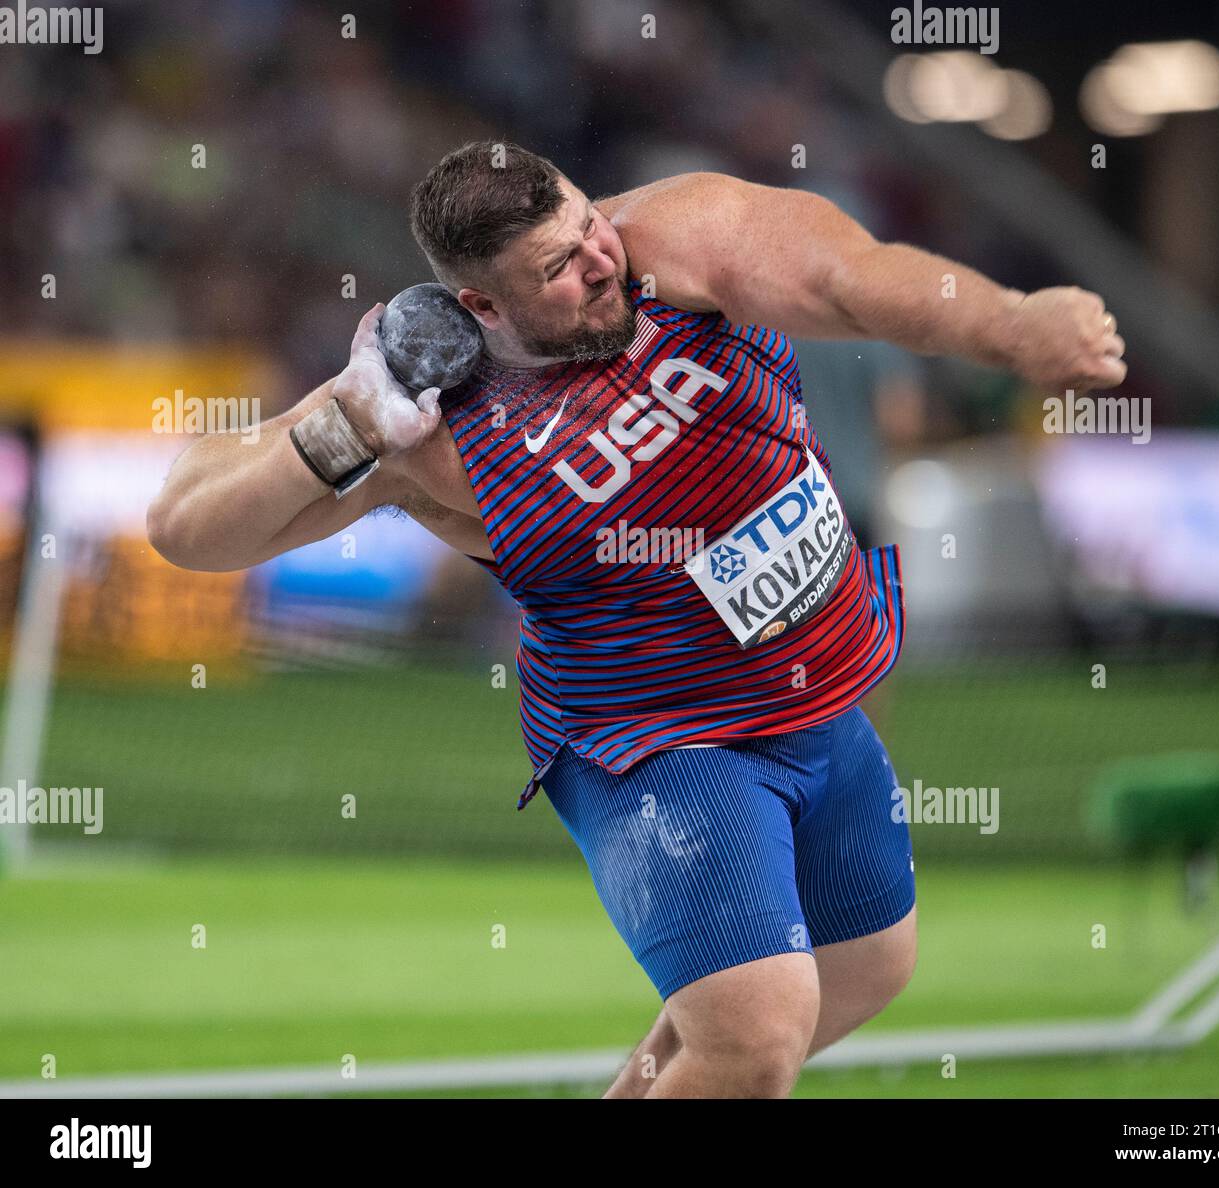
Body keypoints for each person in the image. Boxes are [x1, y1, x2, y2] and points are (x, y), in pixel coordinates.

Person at [148, 140, 1125, 1098]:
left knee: (866, 965)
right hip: (653, 738)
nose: (597, 258)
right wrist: (349, 422)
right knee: (755, 1032)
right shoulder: (431, 420)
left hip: (815, 691)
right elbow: (185, 526)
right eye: (558, 268)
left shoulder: (675, 237)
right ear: (482, 304)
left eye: (585, 224)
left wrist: (1010, 323)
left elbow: (849, 278)